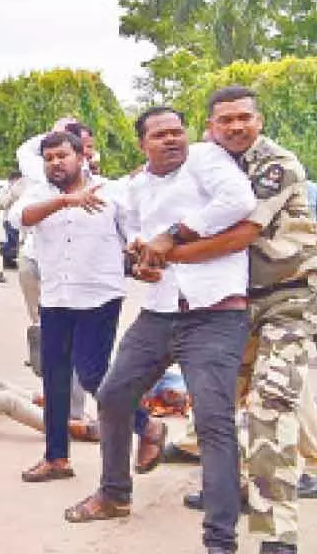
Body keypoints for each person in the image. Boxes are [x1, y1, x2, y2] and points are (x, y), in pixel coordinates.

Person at [64, 107, 255, 554]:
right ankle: (114, 494)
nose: (172, 140)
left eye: (177, 131)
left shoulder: (208, 159)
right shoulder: (134, 187)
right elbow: (133, 238)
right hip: (160, 310)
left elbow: (239, 204)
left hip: (215, 310)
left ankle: (220, 539)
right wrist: (140, 260)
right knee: (112, 395)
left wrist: (173, 235)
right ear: (142, 144)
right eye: (160, 135)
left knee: (212, 421)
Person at [164, 86, 317, 554]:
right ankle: (231, 491)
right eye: (224, 120)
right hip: (233, 304)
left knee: (271, 403)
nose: (235, 127)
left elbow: (239, 231)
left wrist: (166, 248)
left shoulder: (278, 164)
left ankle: (277, 535)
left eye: (243, 118)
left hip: (289, 298)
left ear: (260, 120)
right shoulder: (205, 162)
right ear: (210, 127)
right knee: (216, 405)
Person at [8, 131, 156, 485]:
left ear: (81, 157)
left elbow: (135, 231)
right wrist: (67, 201)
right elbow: (18, 219)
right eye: (49, 158)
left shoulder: (112, 191)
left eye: (62, 156)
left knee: (92, 374)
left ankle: (146, 425)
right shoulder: (39, 194)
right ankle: (56, 458)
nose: (56, 163)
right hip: (56, 296)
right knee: (55, 378)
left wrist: (139, 248)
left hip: (99, 295)